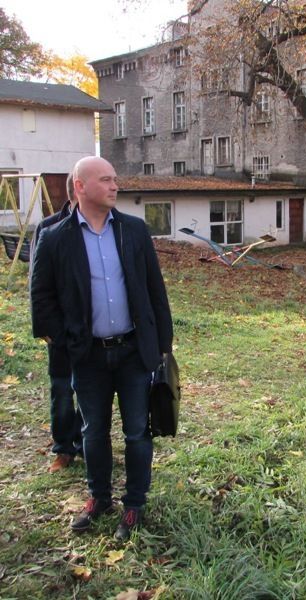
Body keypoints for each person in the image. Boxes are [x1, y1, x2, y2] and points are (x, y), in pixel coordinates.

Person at [31, 156, 173, 541]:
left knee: (137, 432)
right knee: (93, 432)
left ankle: (134, 504)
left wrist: (162, 346)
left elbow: (155, 291)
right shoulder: (55, 237)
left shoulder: (134, 230)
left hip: (133, 353)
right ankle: (99, 498)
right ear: (80, 186)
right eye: (106, 180)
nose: (114, 186)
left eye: (114, 179)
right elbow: (41, 299)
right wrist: (67, 341)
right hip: (88, 356)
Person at [30, 173, 83, 472]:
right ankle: (63, 448)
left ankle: (85, 443)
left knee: (91, 390)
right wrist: (47, 328)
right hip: (61, 329)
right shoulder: (49, 228)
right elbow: (37, 283)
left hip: (91, 328)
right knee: (62, 390)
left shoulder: (100, 226)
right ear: (76, 191)